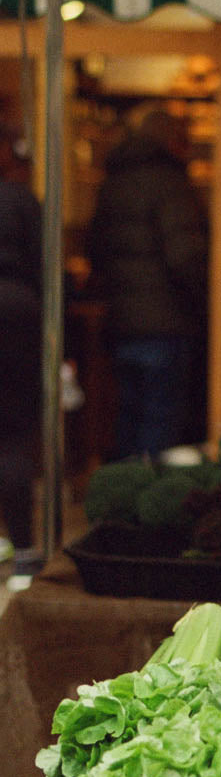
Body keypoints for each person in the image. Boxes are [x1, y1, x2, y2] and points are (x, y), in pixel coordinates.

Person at [86, 106, 209, 462]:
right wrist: (204, 305)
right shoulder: (170, 184)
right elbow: (186, 257)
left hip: (123, 324)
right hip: (166, 323)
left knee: (129, 416)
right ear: (173, 141)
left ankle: (124, 498)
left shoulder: (113, 181)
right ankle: (150, 506)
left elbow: (96, 249)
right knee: (160, 422)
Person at [0, 125, 43, 587]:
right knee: (11, 434)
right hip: (16, 311)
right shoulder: (19, 200)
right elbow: (44, 265)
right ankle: (26, 550)